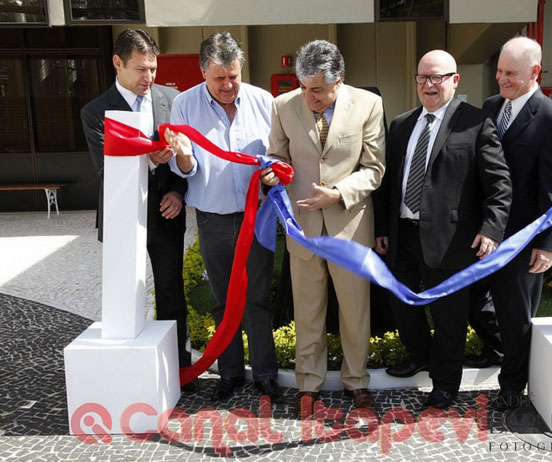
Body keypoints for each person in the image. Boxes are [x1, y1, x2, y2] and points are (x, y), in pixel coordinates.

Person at [373, 50, 512, 410]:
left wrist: (492, 229)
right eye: (423, 78)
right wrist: (381, 227)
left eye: (437, 77)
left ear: (454, 80)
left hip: (450, 240)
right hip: (401, 234)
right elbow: (388, 183)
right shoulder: (402, 124)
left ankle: (446, 384)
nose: (429, 85)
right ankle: (422, 356)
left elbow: (499, 184)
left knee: (449, 316)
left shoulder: (476, 123)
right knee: (403, 305)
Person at [260, 40, 385, 417]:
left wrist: (337, 193)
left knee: (354, 309)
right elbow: (277, 156)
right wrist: (271, 172)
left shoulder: (368, 104)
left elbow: (374, 169)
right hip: (303, 226)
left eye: (316, 89)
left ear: (339, 81)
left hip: (350, 225)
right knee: (308, 309)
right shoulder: (283, 106)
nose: (307, 95)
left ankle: (357, 381)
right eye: (303, 86)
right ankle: (308, 384)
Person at [165, 32, 283, 404]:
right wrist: (183, 156)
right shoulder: (184, 105)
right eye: (220, 78)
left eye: (234, 76)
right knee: (222, 299)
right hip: (213, 217)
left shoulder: (264, 101)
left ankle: (265, 374)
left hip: (259, 216)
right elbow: (183, 167)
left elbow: (280, 156)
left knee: (258, 298)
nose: (229, 85)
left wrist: (274, 173)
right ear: (203, 72)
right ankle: (230, 373)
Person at [80, 29, 195, 392]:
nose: (149, 78)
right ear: (118, 63)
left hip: (166, 211)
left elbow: (185, 154)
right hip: (122, 215)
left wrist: (177, 191)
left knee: (170, 289)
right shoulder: (96, 112)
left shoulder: (172, 99)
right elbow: (105, 167)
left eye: (153, 69)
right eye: (141, 69)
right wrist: (147, 160)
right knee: (125, 294)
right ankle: (126, 368)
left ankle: (178, 367)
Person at [481, 37, 552, 409]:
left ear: (535, 72)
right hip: (485, 232)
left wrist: (548, 243)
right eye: (499, 71)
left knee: (516, 314)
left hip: (524, 238)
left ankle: (512, 387)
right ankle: (497, 350)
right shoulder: (489, 107)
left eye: (510, 74)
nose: (501, 79)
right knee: (476, 303)